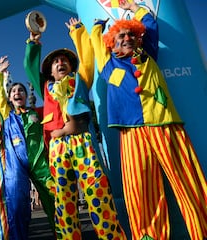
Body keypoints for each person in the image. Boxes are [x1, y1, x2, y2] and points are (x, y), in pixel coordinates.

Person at [89, 1, 207, 239]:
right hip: (131, 132)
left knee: (188, 182)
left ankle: (201, 230)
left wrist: (136, 8)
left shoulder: (148, 52)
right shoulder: (108, 64)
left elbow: (150, 25)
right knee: (141, 190)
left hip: (164, 124)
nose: (127, 38)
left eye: (132, 35)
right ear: (112, 44)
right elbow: (96, 44)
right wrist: (97, 27)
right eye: (121, 36)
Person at [24, 19, 126, 239]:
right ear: (50, 70)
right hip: (57, 148)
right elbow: (31, 68)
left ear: (71, 66)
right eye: (55, 62)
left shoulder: (80, 80)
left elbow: (87, 60)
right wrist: (33, 44)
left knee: (97, 190)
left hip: (82, 143)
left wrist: (78, 32)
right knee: (63, 199)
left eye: (64, 61)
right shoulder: (45, 87)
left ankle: (111, 236)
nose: (60, 63)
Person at [0, 56, 55, 240]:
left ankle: (64, 234)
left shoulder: (36, 113)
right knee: (17, 205)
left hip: (40, 163)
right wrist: (0, 73)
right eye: (14, 91)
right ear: (10, 98)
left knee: (53, 198)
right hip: (15, 166)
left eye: (20, 90)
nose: (17, 92)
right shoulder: (6, 114)